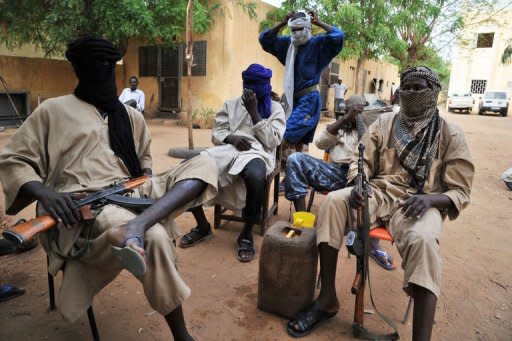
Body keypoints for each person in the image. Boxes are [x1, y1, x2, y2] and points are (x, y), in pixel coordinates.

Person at [0, 36, 218, 341]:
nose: (105, 76)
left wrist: (148, 176)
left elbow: (144, 159)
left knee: (205, 163)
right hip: (85, 202)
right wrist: (46, 194)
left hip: (132, 189)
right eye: (96, 69)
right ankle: (182, 336)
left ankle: (137, 225)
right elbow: (13, 160)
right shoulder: (52, 111)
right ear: (80, 72)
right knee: (155, 238)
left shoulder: (129, 116)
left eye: (108, 68)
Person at [286, 66, 474, 340]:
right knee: (334, 203)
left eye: (418, 87)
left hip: (420, 203)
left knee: (423, 241)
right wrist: (358, 183)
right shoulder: (384, 124)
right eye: (406, 87)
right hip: (381, 192)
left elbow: (460, 190)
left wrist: (431, 199)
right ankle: (327, 299)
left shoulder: (450, 134)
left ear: (433, 92)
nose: (410, 92)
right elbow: (361, 162)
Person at [179, 64, 285, 263]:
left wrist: (255, 113)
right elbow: (217, 133)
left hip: (258, 153)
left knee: (255, 176)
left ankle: (246, 233)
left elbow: (272, 142)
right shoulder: (231, 105)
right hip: (228, 150)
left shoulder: (275, 108)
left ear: (266, 85)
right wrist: (231, 138)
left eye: (256, 84)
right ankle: (202, 226)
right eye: (248, 83)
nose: (251, 89)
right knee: (189, 167)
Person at [285, 95, 395, 271]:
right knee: (295, 159)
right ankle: (303, 223)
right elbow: (320, 143)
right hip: (336, 173)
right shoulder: (340, 128)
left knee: (372, 192)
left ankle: (374, 247)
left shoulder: (374, 128)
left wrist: (368, 122)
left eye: (357, 111)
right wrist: (344, 120)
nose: (353, 115)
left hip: (364, 177)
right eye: (348, 111)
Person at [259, 11, 344, 154]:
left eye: (300, 29)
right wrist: (281, 23)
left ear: (308, 28)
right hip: (292, 100)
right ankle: (297, 169)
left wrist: (318, 22)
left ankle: (290, 167)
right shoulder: (288, 44)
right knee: (300, 145)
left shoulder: (318, 44)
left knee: (284, 136)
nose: (297, 33)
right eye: (294, 29)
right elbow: (264, 39)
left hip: (309, 101)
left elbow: (338, 36)